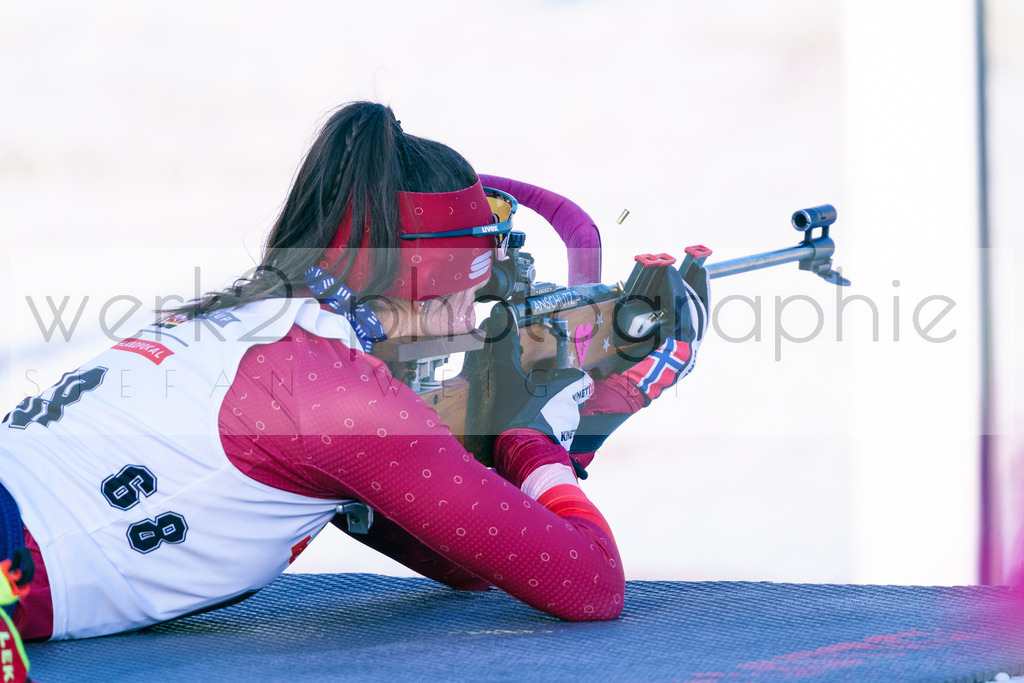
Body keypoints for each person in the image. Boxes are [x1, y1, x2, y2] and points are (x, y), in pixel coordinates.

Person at [0, 101, 709, 646]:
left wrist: (593, 413)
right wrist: (535, 440)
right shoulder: (344, 398)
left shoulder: (246, 317)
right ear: (434, 275)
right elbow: (589, 585)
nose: (480, 306)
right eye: (478, 280)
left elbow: (473, 560)